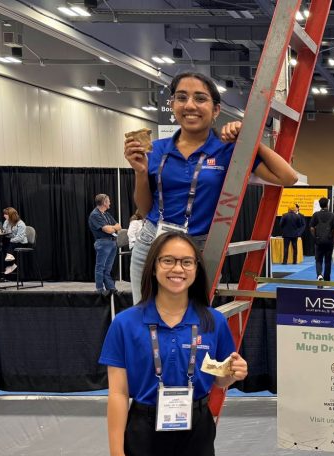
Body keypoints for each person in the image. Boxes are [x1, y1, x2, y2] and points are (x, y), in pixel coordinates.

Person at [99, 231, 248, 456]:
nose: (177, 269)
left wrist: (233, 373)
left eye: (186, 262)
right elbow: (118, 394)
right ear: (153, 267)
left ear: (196, 269)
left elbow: (219, 379)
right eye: (168, 260)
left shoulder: (212, 321)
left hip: (197, 430)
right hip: (144, 431)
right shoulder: (126, 324)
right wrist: (117, 455)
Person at [124, 71, 299, 304]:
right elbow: (145, 210)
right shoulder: (155, 149)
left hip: (198, 250)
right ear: (172, 104)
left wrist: (249, 139)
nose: (190, 105)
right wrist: (140, 172)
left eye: (200, 98)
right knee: (144, 320)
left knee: (191, 322)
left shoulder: (228, 150)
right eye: (182, 97)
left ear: (216, 110)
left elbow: (288, 177)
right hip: (152, 244)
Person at [90, 194, 121, 294]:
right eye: (108, 201)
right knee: (100, 267)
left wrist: (112, 228)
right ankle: (100, 289)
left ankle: (110, 287)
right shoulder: (95, 215)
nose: (110, 203)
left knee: (107, 268)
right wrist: (112, 228)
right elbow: (107, 230)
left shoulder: (106, 214)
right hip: (103, 242)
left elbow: (118, 226)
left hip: (112, 242)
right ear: (104, 202)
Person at [308, 197, 334, 283]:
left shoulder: (316, 215)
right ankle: (327, 280)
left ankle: (319, 275)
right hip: (329, 241)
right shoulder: (333, 215)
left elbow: (311, 228)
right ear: (327, 204)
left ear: (320, 205)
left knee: (318, 260)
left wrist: (315, 237)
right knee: (328, 261)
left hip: (319, 241)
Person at [1, 207, 28, 276]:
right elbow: (5, 232)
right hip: (12, 241)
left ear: (11, 215)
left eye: (6, 214)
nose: (4, 215)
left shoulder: (21, 224)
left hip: (21, 243)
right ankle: (11, 264)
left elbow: (20, 237)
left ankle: (10, 264)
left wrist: (11, 240)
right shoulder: (6, 222)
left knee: (10, 243)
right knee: (3, 244)